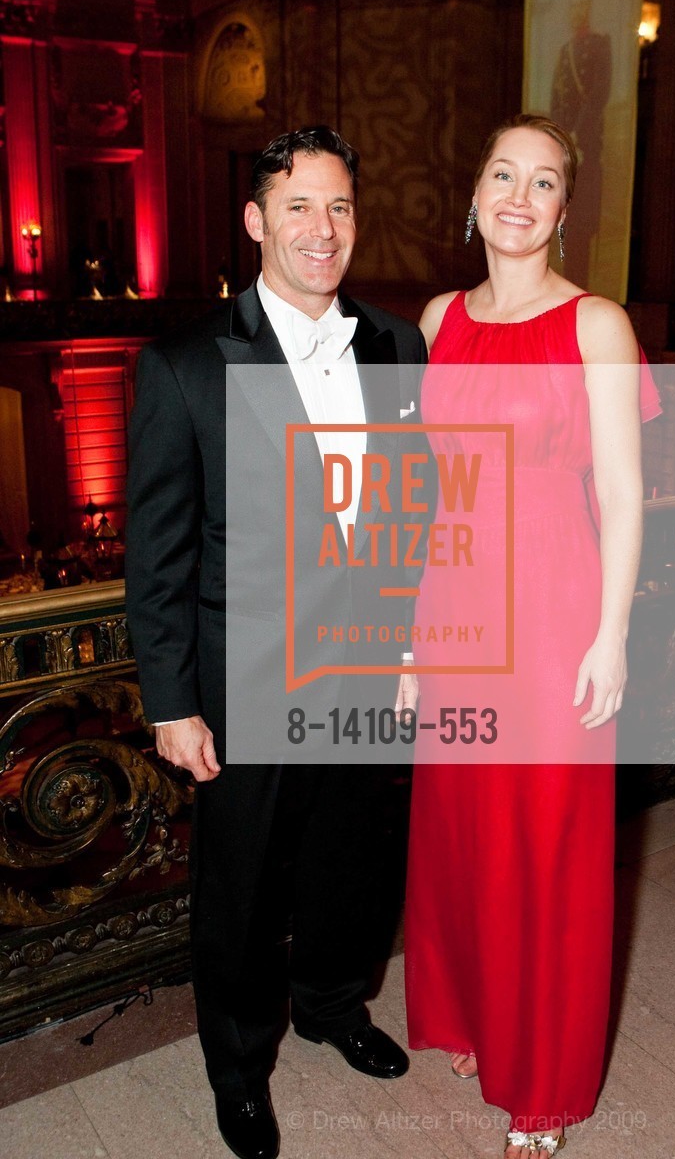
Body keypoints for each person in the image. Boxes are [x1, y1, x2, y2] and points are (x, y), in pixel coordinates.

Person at [126, 126, 426, 1159]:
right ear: (255, 221)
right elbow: (157, 555)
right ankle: (238, 1066)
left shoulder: (395, 344)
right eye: (297, 205)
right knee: (242, 886)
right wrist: (170, 700)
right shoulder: (180, 367)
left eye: (338, 206)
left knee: (352, 860)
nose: (321, 228)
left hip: (363, 666)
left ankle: (333, 1005)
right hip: (242, 679)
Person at [404, 114, 661, 1159]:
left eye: (542, 181)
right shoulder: (434, 320)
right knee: (466, 836)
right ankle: (473, 1018)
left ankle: (541, 1086)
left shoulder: (593, 324)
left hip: (555, 611)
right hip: (456, 610)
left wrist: (611, 636)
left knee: (545, 844)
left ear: (564, 208)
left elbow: (624, 492)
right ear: (473, 195)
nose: (519, 195)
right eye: (501, 174)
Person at [550, 0, 611, 288]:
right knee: (566, 226)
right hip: (565, 150)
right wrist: (558, 138)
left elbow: (598, 95)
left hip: (585, 147)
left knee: (583, 226)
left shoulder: (601, 46)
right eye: (573, 7)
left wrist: (576, 134)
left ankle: (580, 289)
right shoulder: (565, 52)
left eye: (582, 6)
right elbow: (556, 101)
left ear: (589, 9)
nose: (577, 12)